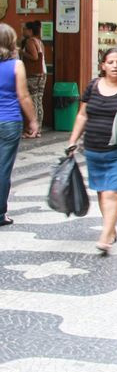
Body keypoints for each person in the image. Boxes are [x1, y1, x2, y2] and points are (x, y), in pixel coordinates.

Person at [67, 47, 117, 253]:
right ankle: (111, 227)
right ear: (103, 65)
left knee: (113, 193)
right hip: (93, 149)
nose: (115, 66)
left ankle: (105, 236)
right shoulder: (92, 86)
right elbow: (82, 115)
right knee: (102, 192)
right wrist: (72, 140)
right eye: (110, 62)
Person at [0, 24, 39, 227]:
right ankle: (0, 214)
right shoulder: (16, 65)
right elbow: (23, 96)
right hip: (9, 121)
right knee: (3, 169)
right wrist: (32, 120)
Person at [20, 21, 45, 137]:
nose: (22, 31)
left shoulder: (30, 41)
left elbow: (34, 57)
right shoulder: (39, 41)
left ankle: (31, 130)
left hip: (33, 74)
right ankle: (38, 129)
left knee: (33, 101)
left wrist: (21, 52)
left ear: (30, 31)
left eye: (24, 29)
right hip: (42, 74)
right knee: (39, 101)